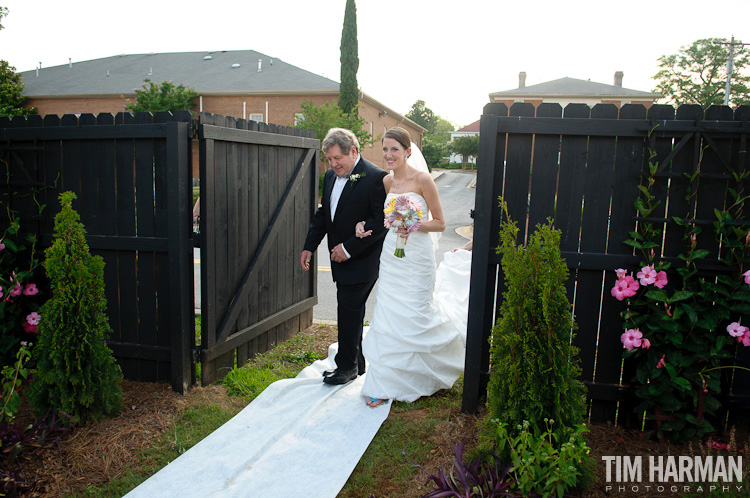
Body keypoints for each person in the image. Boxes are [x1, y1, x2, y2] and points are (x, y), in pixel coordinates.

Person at [356, 127, 468, 408]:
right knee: (389, 315)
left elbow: (440, 223)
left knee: (416, 312)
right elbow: (379, 217)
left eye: (394, 148)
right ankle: (383, 383)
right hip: (392, 258)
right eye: (384, 149)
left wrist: (412, 224)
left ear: (408, 151)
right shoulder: (385, 183)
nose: (388, 154)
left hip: (417, 258)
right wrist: (364, 225)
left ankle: (423, 374)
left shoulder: (423, 180)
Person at [300, 128, 388, 385]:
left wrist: (348, 248)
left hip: (362, 260)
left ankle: (347, 367)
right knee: (351, 311)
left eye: (337, 157)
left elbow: (380, 221)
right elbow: (323, 216)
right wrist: (309, 246)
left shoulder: (375, 177)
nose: (333, 164)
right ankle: (357, 364)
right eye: (329, 159)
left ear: (353, 151)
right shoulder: (329, 177)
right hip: (339, 260)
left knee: (348, 310)